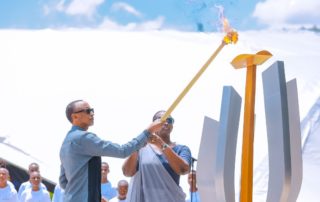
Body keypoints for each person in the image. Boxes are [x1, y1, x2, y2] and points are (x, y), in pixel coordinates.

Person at [59, 100, 163, 202]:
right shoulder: (83, 138)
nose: (92, 113)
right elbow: (122, 151)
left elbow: (63, 182)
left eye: (92, 110)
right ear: (75, 116)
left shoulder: (65, 144)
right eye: (87, 111)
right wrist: (148, 131)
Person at [122, 110, 192, 202]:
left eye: (169, 120)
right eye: (161, 119)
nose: (166, 123)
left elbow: (183, 170)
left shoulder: (181, 149)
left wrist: (161, 145)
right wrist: (137, 147)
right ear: (153, 124)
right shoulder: (142, 148)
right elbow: (127, 172)